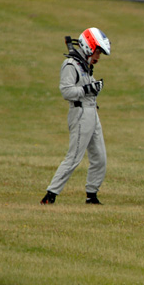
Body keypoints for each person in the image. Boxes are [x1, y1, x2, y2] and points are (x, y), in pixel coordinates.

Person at [40, 28, 112, 205]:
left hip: (91, 112)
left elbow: (83, 87)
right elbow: (66, 91)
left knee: (100, 157)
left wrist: (94, 86)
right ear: (89, 47)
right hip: (80, 113)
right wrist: (89, 89)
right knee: (74, 157)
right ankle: (51, 194)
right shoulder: (71, 64)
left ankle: (91, 195)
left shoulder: (84, 65)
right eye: (97, 52)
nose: (98, 57)